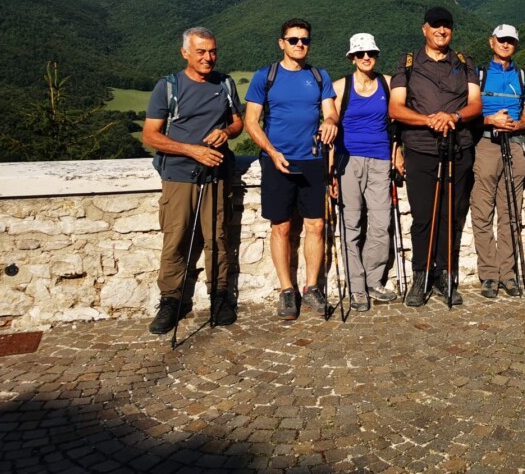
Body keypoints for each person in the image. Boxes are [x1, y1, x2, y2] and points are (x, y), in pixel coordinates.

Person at [143, 26, 242, 334]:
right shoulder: (168, 87)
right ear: (185, 52)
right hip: (178, 175)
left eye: (212, 51)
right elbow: (151, 136)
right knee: (176, 239)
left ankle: (219, 297)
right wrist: (192, 150)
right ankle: (170, 301)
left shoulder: (225, 83)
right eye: (200, 52)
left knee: (217, 237)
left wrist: (226, 132)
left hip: (216, 174)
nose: (208, 58)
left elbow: (237, 122)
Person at [244, 18, 338, 320]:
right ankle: (287, 289)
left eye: (305, 40)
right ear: (281, 43)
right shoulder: (266, 76)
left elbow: (331, 113)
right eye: (294, 39)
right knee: (281, 227)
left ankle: (311, 287)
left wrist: (330, 122)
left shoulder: (319, 76)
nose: (300, 44)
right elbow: (251, 122)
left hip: (312, 160)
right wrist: (272, 153)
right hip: (277, 161)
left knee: (316, 226)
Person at [389, 6, 481, 307]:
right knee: (423, 216)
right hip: (420, 148)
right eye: (436, 25)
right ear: (424, 29)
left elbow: (475, 104)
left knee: (450, 215)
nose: (442, 31)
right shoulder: (407, 63)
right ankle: (422, 275)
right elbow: (396, 108)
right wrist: (429, 120)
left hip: (458, 147)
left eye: (447, 26)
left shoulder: (464, 62)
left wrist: (453, 116)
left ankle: (445, 275)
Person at [331, 33, 404, 311]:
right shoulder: (340, 88)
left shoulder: (387, 84)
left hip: (381, 159)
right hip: (348, 160)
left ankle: (373, 280)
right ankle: (356, 287)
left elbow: (396, 123)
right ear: (352, 58)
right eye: (360, 54)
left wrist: (397, 152)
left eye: (370, 53)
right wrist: (331, 172)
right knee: (351, 224)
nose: (366, 58)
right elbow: (331, 130)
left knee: (381, 222)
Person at [470, 24, 525, 299]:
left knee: (510, 213)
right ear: (492, 42)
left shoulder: (523, 77)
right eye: (501, 40)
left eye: (510, 41)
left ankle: (508, 274)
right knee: (482, 211)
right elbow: (469, 112)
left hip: (515, 144)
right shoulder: (478, 75)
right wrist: (490, 120)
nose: (506, 44)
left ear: (515, 45)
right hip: (485, 144)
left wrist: (517, 124)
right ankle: (489, 274)